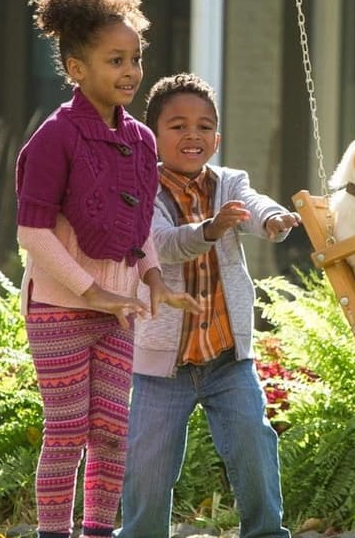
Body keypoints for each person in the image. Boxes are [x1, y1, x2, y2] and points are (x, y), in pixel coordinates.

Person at [15, 0, 203, 538]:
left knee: (112, 432)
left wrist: (153, 281)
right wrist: (90, 290)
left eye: (135, 59)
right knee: (67, 432)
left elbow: (137, 223)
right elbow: (32, 234)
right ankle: (55, 532)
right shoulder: (54, 137)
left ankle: (98, 531)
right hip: (61, 309)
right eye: (115, 61)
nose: (130, 72)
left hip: (119, 310)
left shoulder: (141, 138)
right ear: (77, 68)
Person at [119, 73, 301, 538]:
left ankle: (265, 532)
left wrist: (273, 219)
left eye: (203, 126)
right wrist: (212, 230)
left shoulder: (229, 183)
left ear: (216, 138)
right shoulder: (141, 192)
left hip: (226, 360)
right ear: (153, 137)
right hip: (162, 368)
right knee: (148, 468)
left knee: (254, 447)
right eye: (177, 126)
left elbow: (253, 205)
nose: (192, 135)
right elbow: (162, 245)